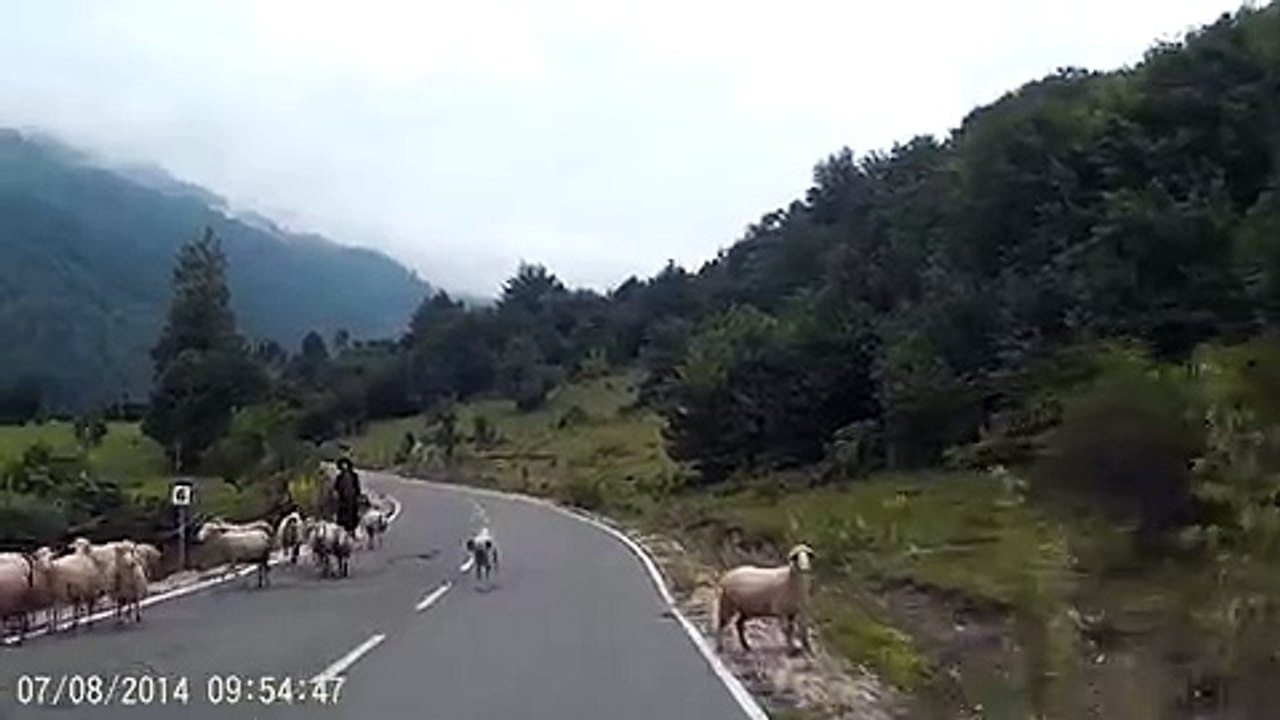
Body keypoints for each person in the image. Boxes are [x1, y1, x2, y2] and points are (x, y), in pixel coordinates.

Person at [332, 457, 363, 536]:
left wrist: (358, 496)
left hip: (352, 500)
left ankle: (353, 532)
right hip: (343, 501)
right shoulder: (339, 477)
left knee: (353, 517)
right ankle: (342, 535)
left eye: (345, 464)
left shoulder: (354, 476)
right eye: (343, 465)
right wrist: (336, 496)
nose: (344, 466)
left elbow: (357, 487)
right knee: (343, 519)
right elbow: (336, 488)